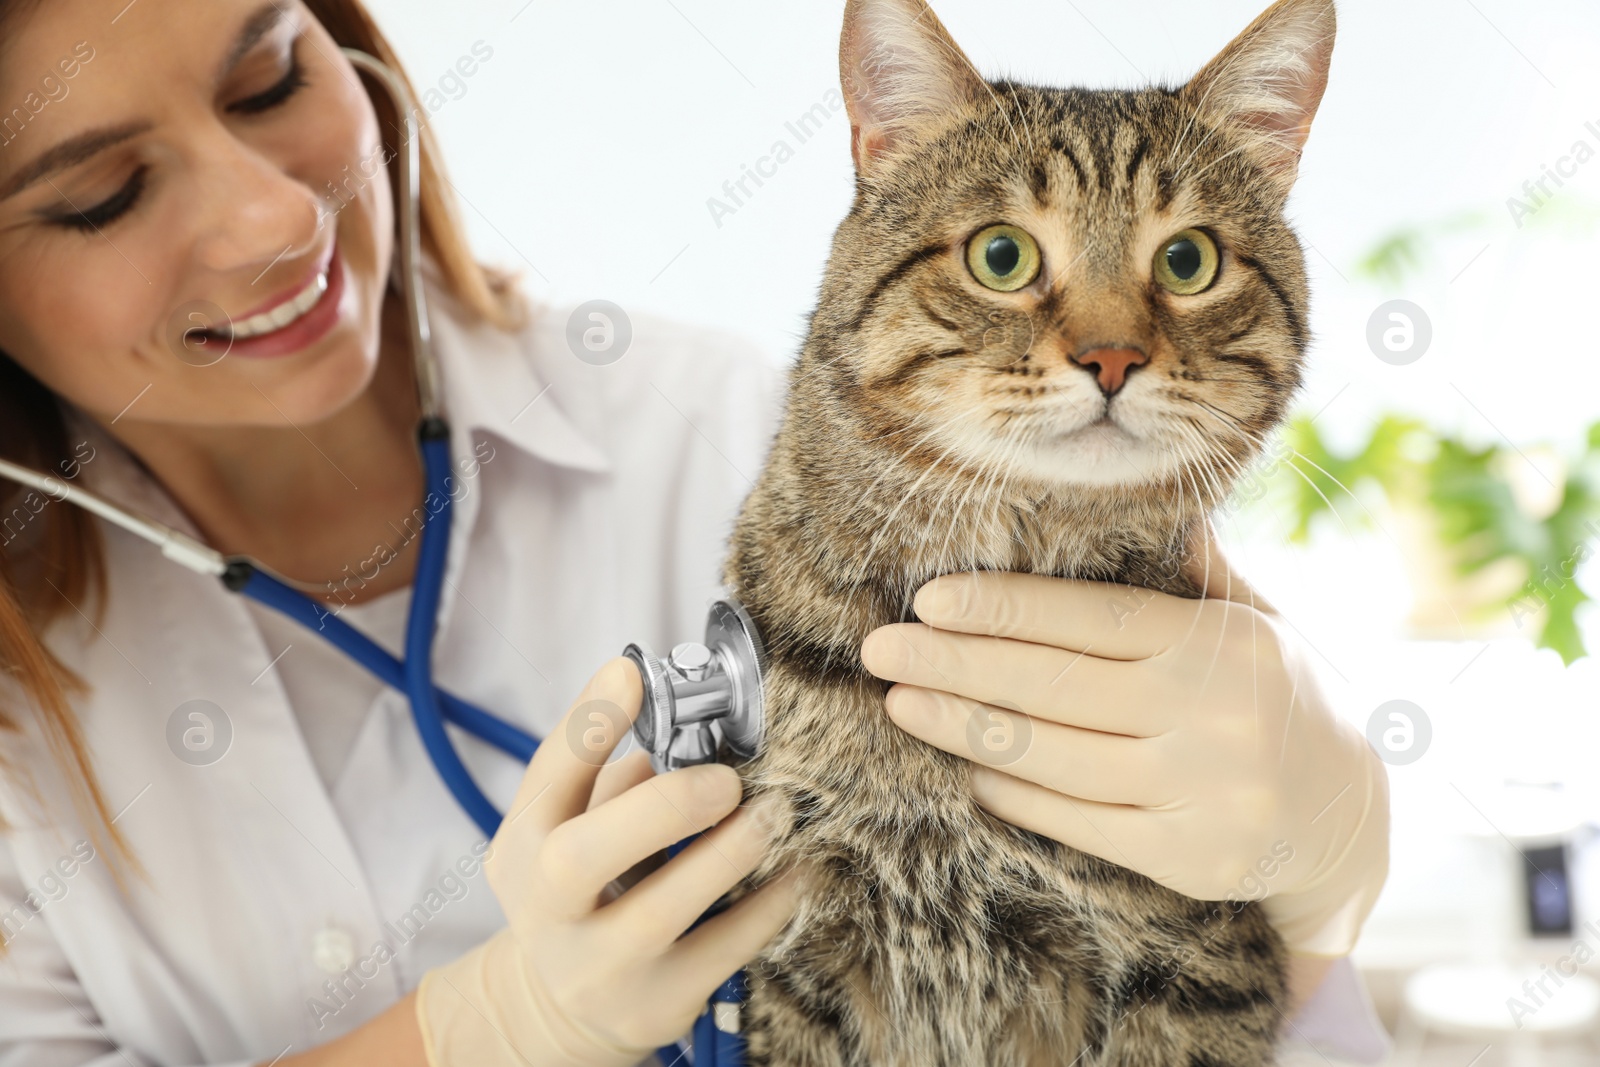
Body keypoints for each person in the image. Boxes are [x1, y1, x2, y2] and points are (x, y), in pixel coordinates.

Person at [0, 0, 1393, 1063]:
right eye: (98, 194)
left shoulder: (770, 430)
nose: (271, 217)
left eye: (270, 78)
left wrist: (1325, 871)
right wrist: (491, 1029)